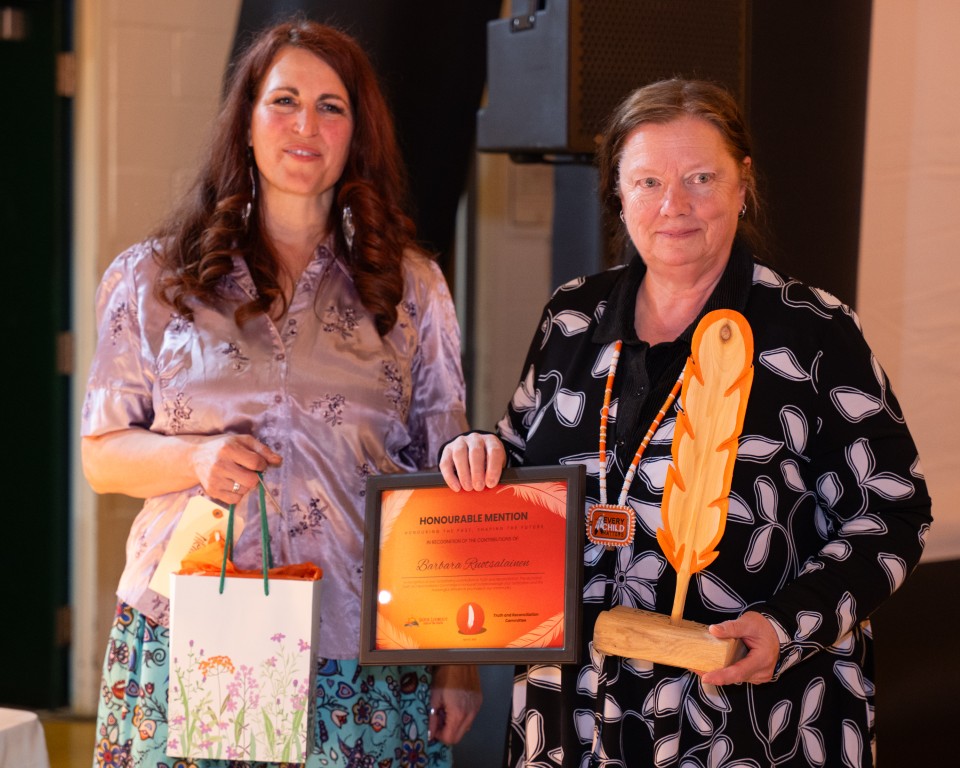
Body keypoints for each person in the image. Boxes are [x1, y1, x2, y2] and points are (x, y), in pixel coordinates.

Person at [439, 78, 932, 766]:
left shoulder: (813, 331)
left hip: (749, 714)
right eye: (647, 181)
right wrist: (479, 451)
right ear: (618, 192)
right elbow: (521, 455)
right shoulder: (572, 316)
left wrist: (786, 626)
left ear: (742, 184)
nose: (674, 205)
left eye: (701, 178)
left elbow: (894, 512)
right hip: (575, 714)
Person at [82, 18, 481, 768]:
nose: (306, 125)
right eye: (285, 101)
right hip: (193, 637)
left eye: (332, 107)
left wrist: (457, 660)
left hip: (359, 652)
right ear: (247, 120)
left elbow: (443, 479)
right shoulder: (154, 278)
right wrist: (194, 459)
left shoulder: (413, 285)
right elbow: (102, 455)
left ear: (358, 134)